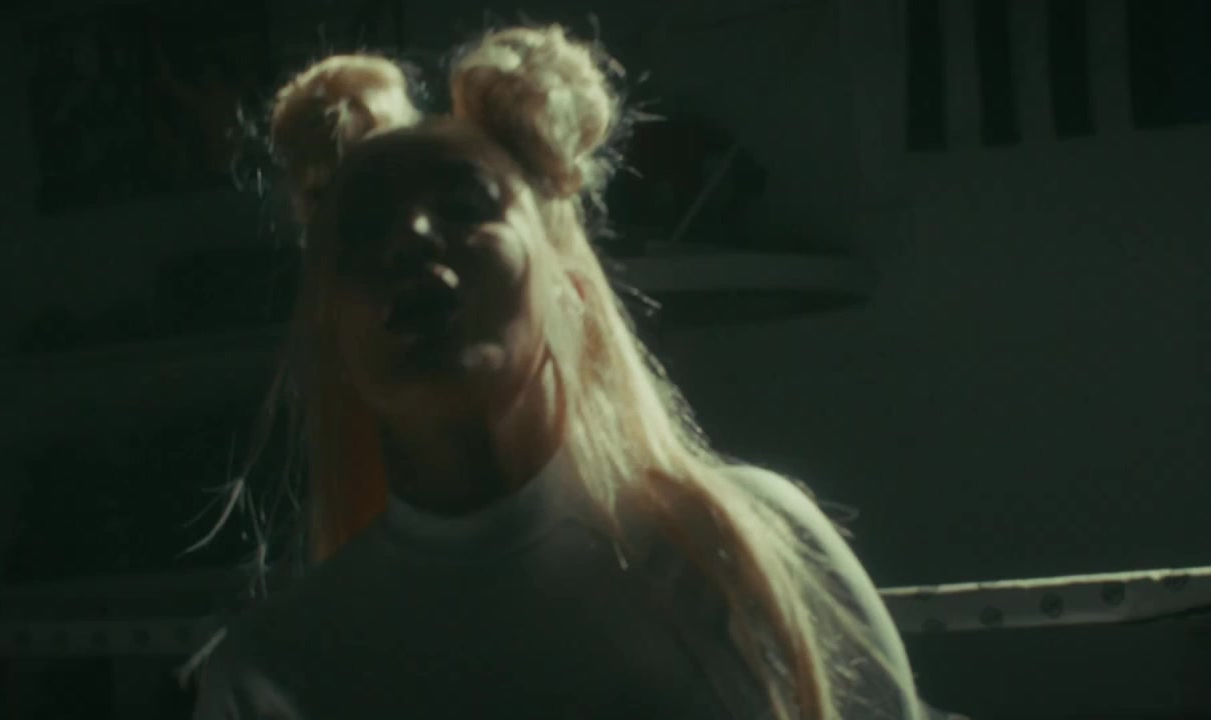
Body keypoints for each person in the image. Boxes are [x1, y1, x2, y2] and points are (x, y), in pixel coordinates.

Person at [192, 24, 924, 720]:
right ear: (333, 331)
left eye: (463, 204)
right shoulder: (273, 667)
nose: (410, 238)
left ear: (569, 288)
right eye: (363, 229)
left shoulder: (745, 549)